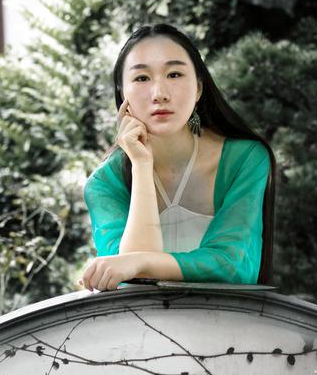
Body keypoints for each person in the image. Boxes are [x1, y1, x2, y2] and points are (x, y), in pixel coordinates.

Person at [80, 23, 276, 292]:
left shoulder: (244, 159)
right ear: (123, 94)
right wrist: (141, 165)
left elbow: (232, 265)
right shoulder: (104, 184)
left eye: (174, 74)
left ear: (198, 88)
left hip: (227, 317)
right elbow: (131, 283)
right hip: (138, 319)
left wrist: (139, 262)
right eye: (141, 78)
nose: (159, 94)